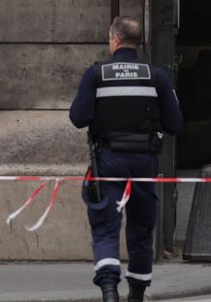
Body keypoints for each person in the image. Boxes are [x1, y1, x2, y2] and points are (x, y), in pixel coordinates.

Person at [70, 16, 183, 302]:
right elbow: (175, 124)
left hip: (108, 161)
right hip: (144, 161)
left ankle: (109, 291)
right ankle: (137, 292)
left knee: (106, 225)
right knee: (142, 226)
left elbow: (78, 118)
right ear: (139, 41)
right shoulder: (156, 76)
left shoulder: (96, 74)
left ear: (114, 39)